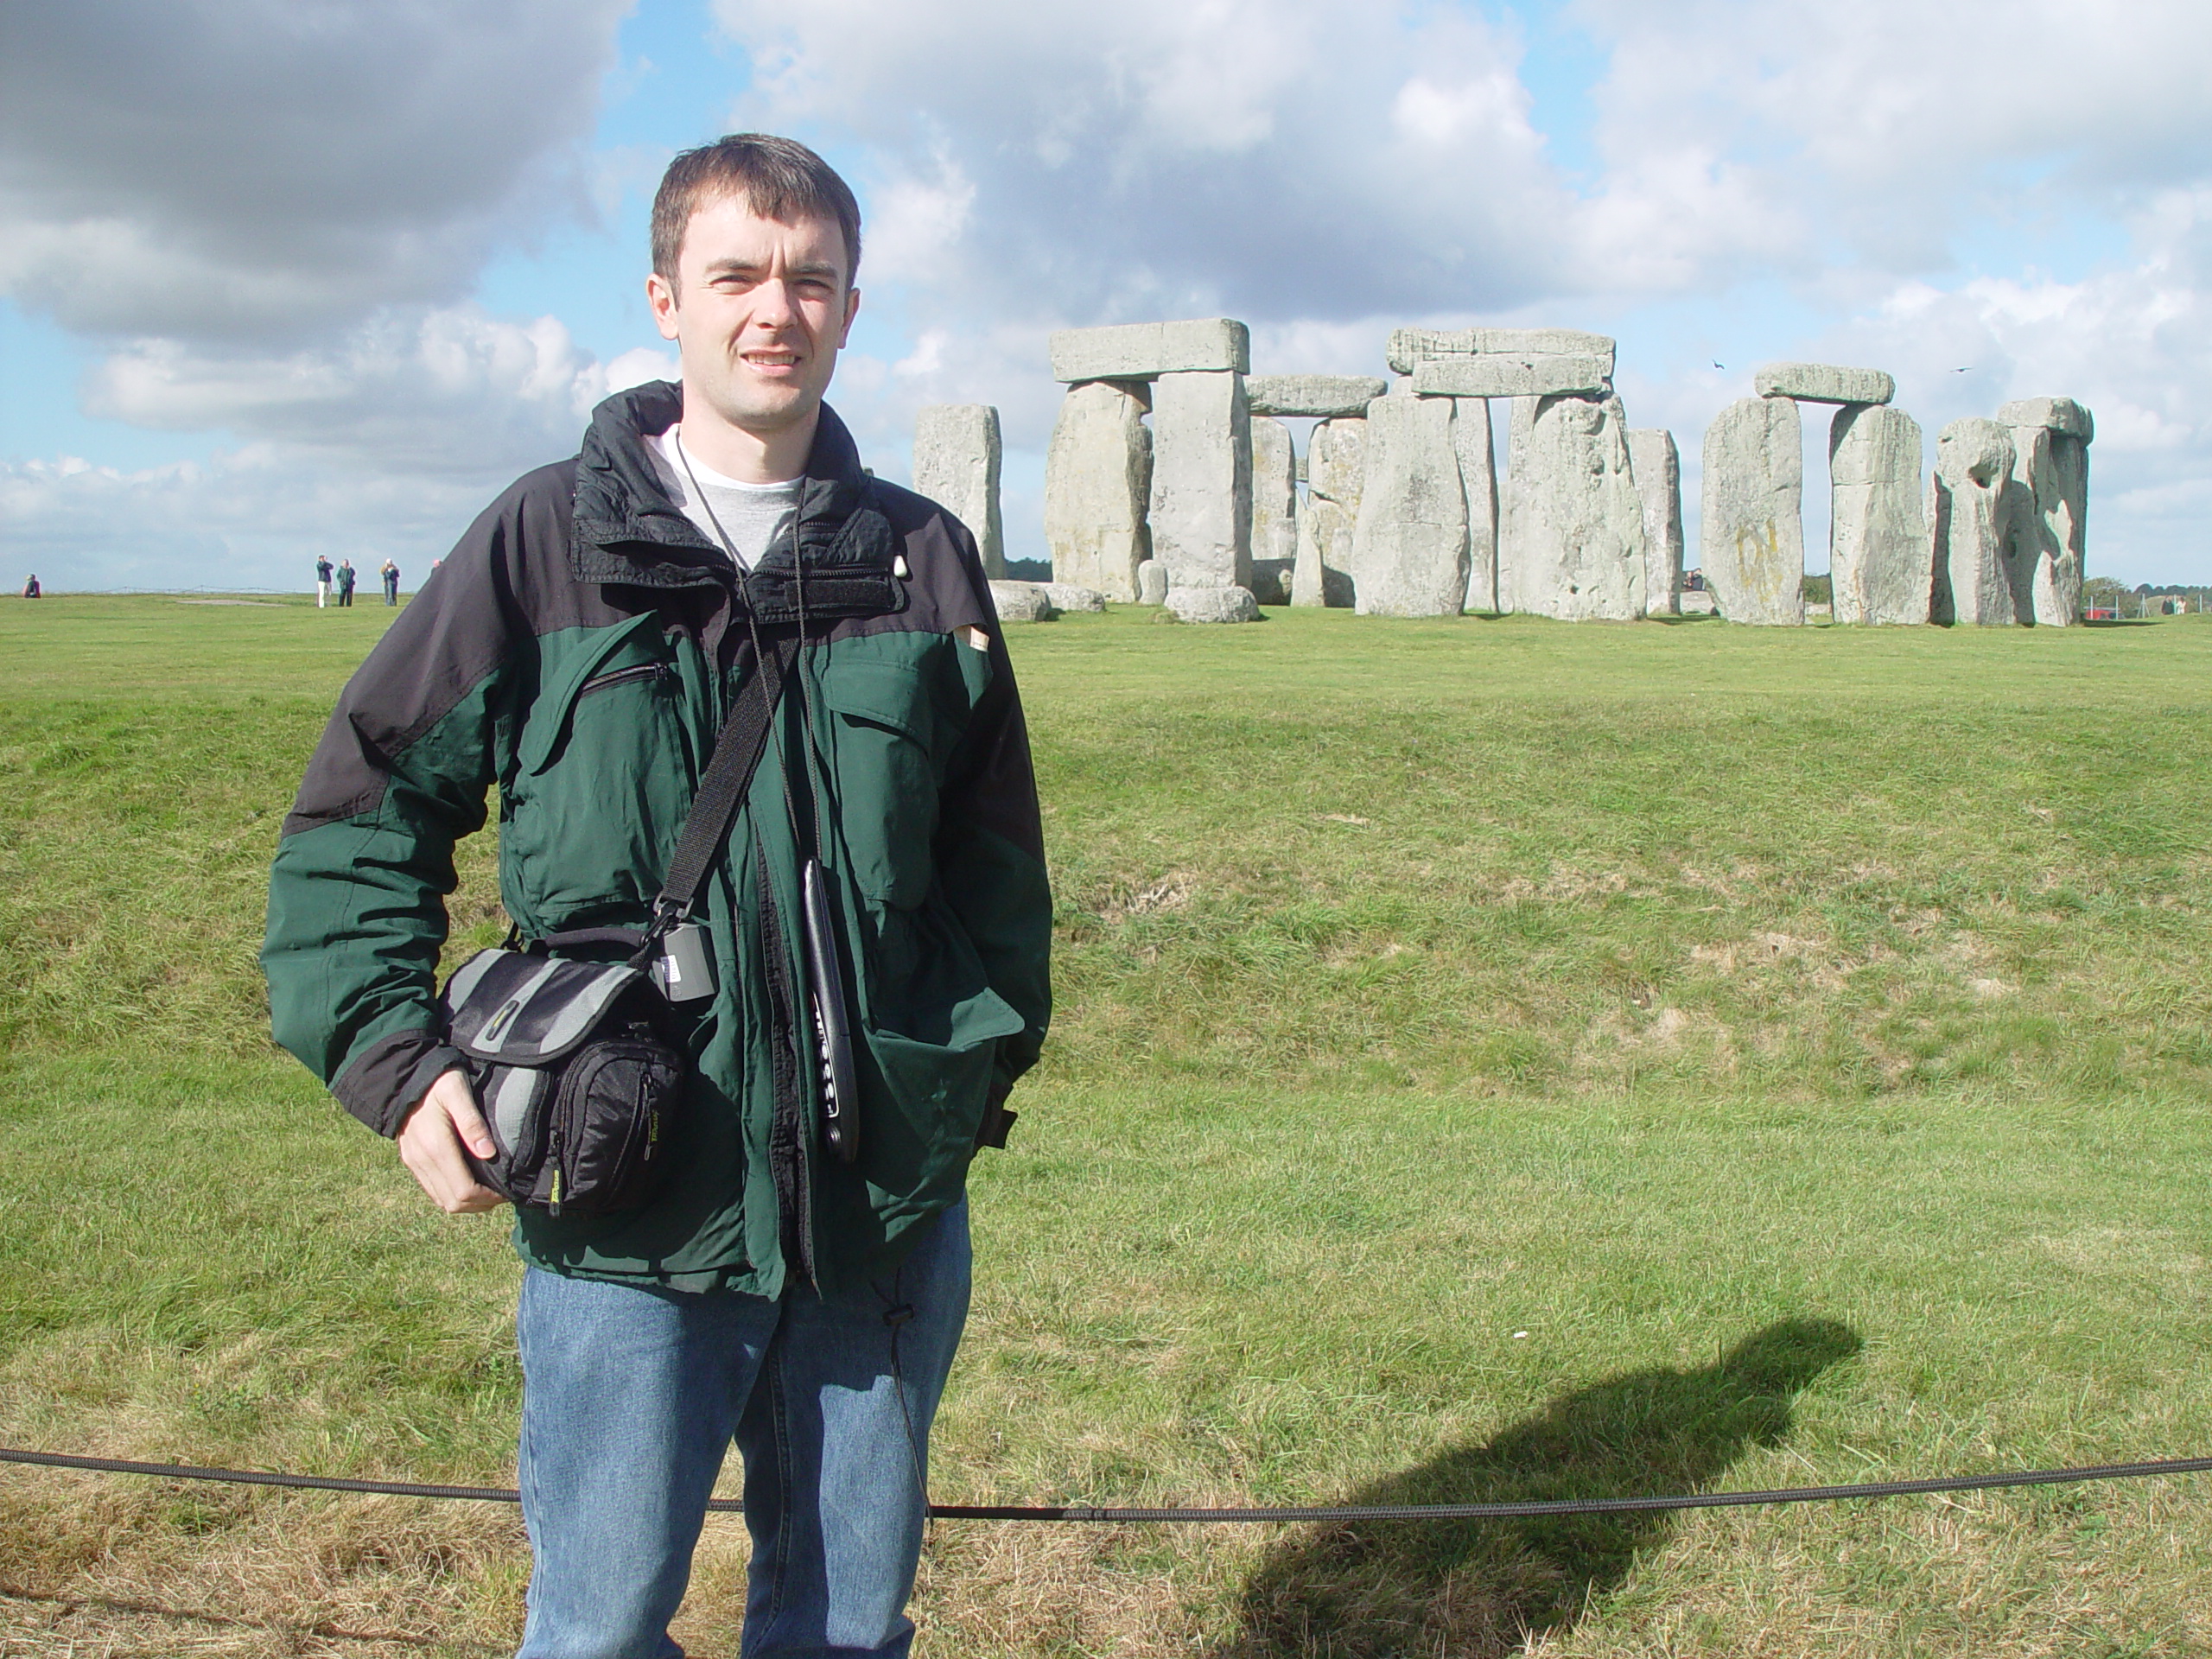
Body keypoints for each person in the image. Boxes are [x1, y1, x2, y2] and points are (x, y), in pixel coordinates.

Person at [262, 133, 1051, 1657]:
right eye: (738, 274)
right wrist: (394, 1062)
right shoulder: (546, 541)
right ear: (665, 299)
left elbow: (994, 866)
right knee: (601, 1628)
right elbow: (364, 808)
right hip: (629, 1191)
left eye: (810, 277)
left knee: (844, 1624)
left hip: (872, 1199)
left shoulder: (919, 562)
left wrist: (966, 1075)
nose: (777, 309)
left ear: (849, 305)